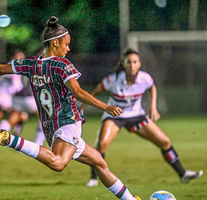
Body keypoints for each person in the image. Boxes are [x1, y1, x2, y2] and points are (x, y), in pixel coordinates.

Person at [0, 16, 141, 200]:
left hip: (52, 127)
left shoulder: (31, 64)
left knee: (99, 163)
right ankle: (11, 139)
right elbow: (77, 92)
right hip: (67, 122)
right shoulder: (61, 65)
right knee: (58, 163)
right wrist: (105, 106)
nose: (68, 47)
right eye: (66, 43)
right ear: (55, 43)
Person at [81, 47, 203, 187]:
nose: (132, 65)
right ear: (123, 64)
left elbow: (152, 87)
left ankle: (183, 174)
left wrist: (152, 107)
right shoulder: (112, 80)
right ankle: (94, 178)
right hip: (115, 116)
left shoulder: (144, 78)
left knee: (164, 142)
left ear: (139, 64)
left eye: (135, 62)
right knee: (102, 144)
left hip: (137, 116)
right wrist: (82, 108)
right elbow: (93, 93)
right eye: (129, 62)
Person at [0, 75, 45, 159]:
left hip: (16, 98)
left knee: (10, 120)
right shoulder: (33, 65)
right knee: (44, 117)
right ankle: (39, 144)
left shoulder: (15, 65)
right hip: (29, 98)